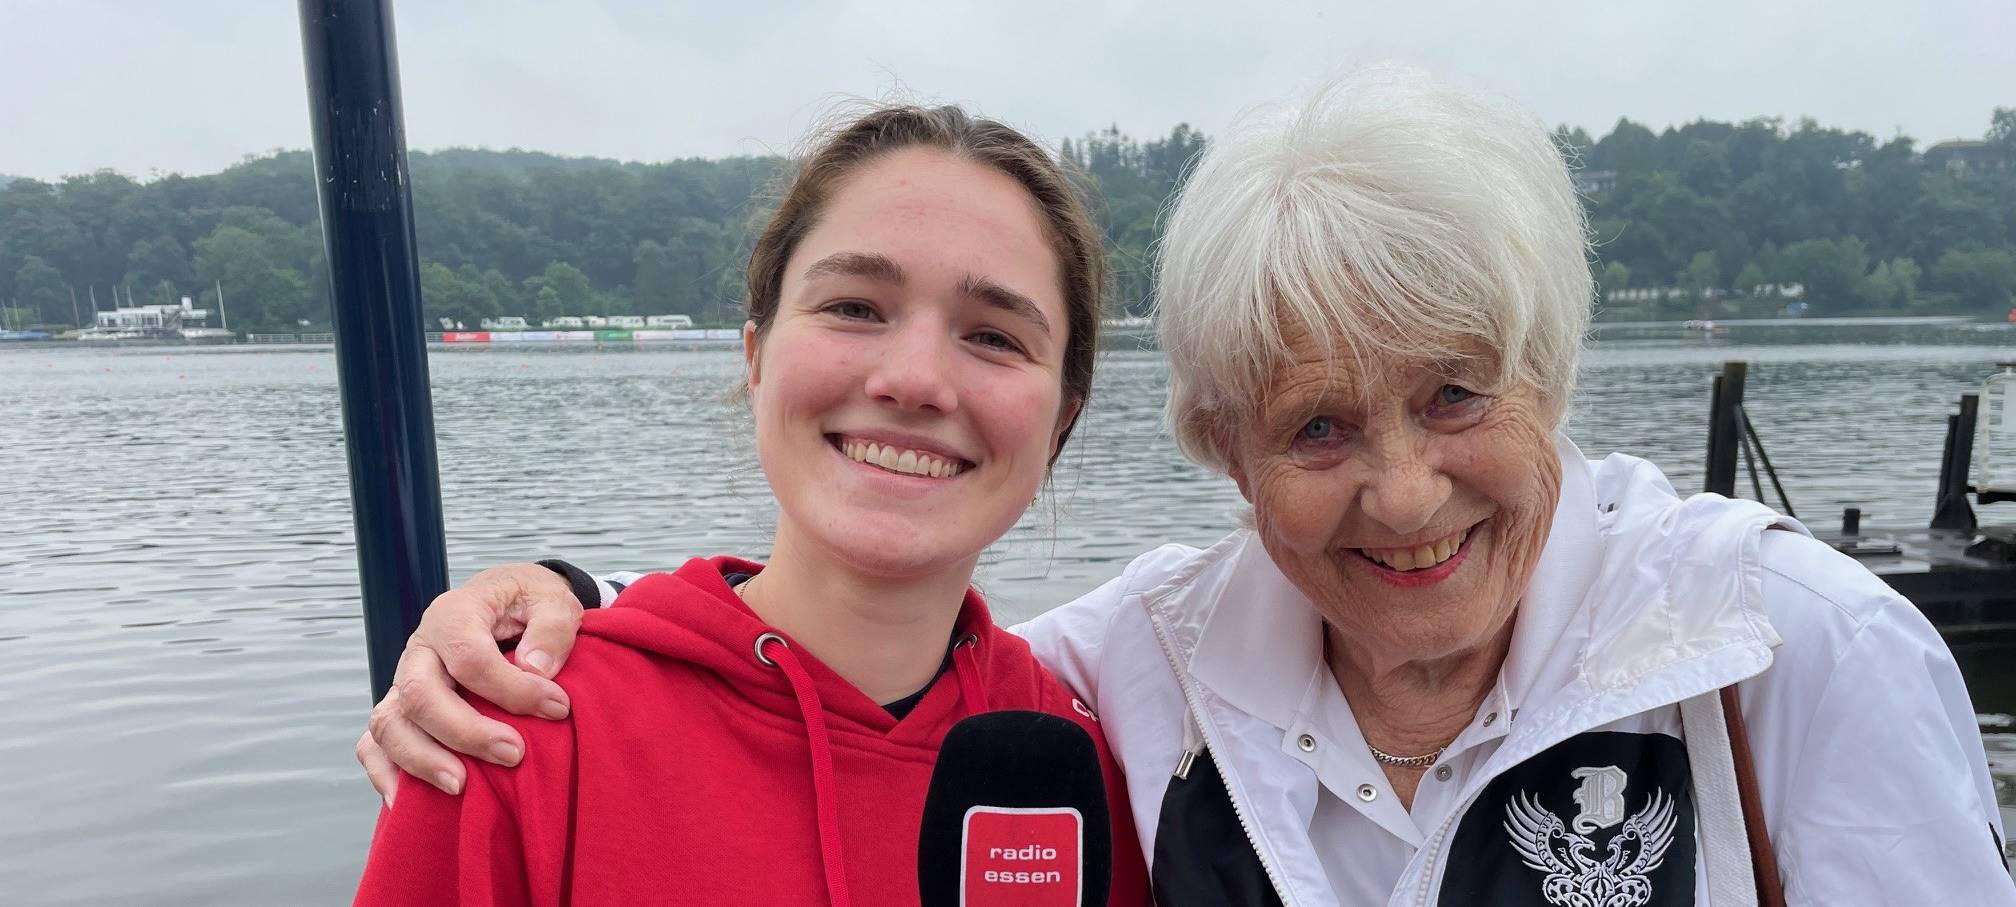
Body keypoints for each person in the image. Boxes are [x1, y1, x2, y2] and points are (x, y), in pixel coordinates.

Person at [361, 69, 2016, 905]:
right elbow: (814, 629)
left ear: (1553, 376)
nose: (1400, 492)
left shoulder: (1790, 653)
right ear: (1219, 450)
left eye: (1455, 392)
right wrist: (551, 604)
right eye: (1313, 430)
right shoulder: (1119, 692)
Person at [352, 102, 1150, 906]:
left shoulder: (1097, 771)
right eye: (855, 307)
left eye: (994, 336)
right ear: (757, 355)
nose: (913, 379)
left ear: (1061, 422)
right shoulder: (516, 727)